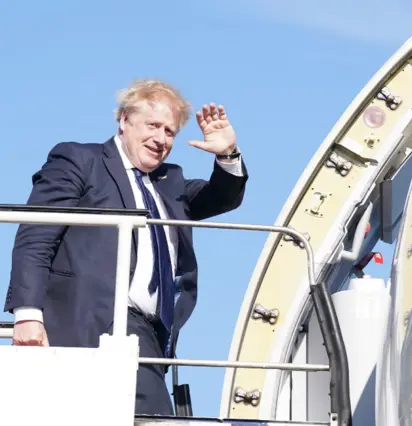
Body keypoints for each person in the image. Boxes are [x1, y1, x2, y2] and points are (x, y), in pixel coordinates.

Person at [3, 79, 248, 415]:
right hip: (89, 320)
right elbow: (36, 235)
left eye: (170, 132)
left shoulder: (170, 180)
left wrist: (227, 154)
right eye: (153, 125)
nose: (161, 139)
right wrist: (28, 314)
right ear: (124, 120)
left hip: (148, 335)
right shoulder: (80, 159)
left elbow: (222, 197)